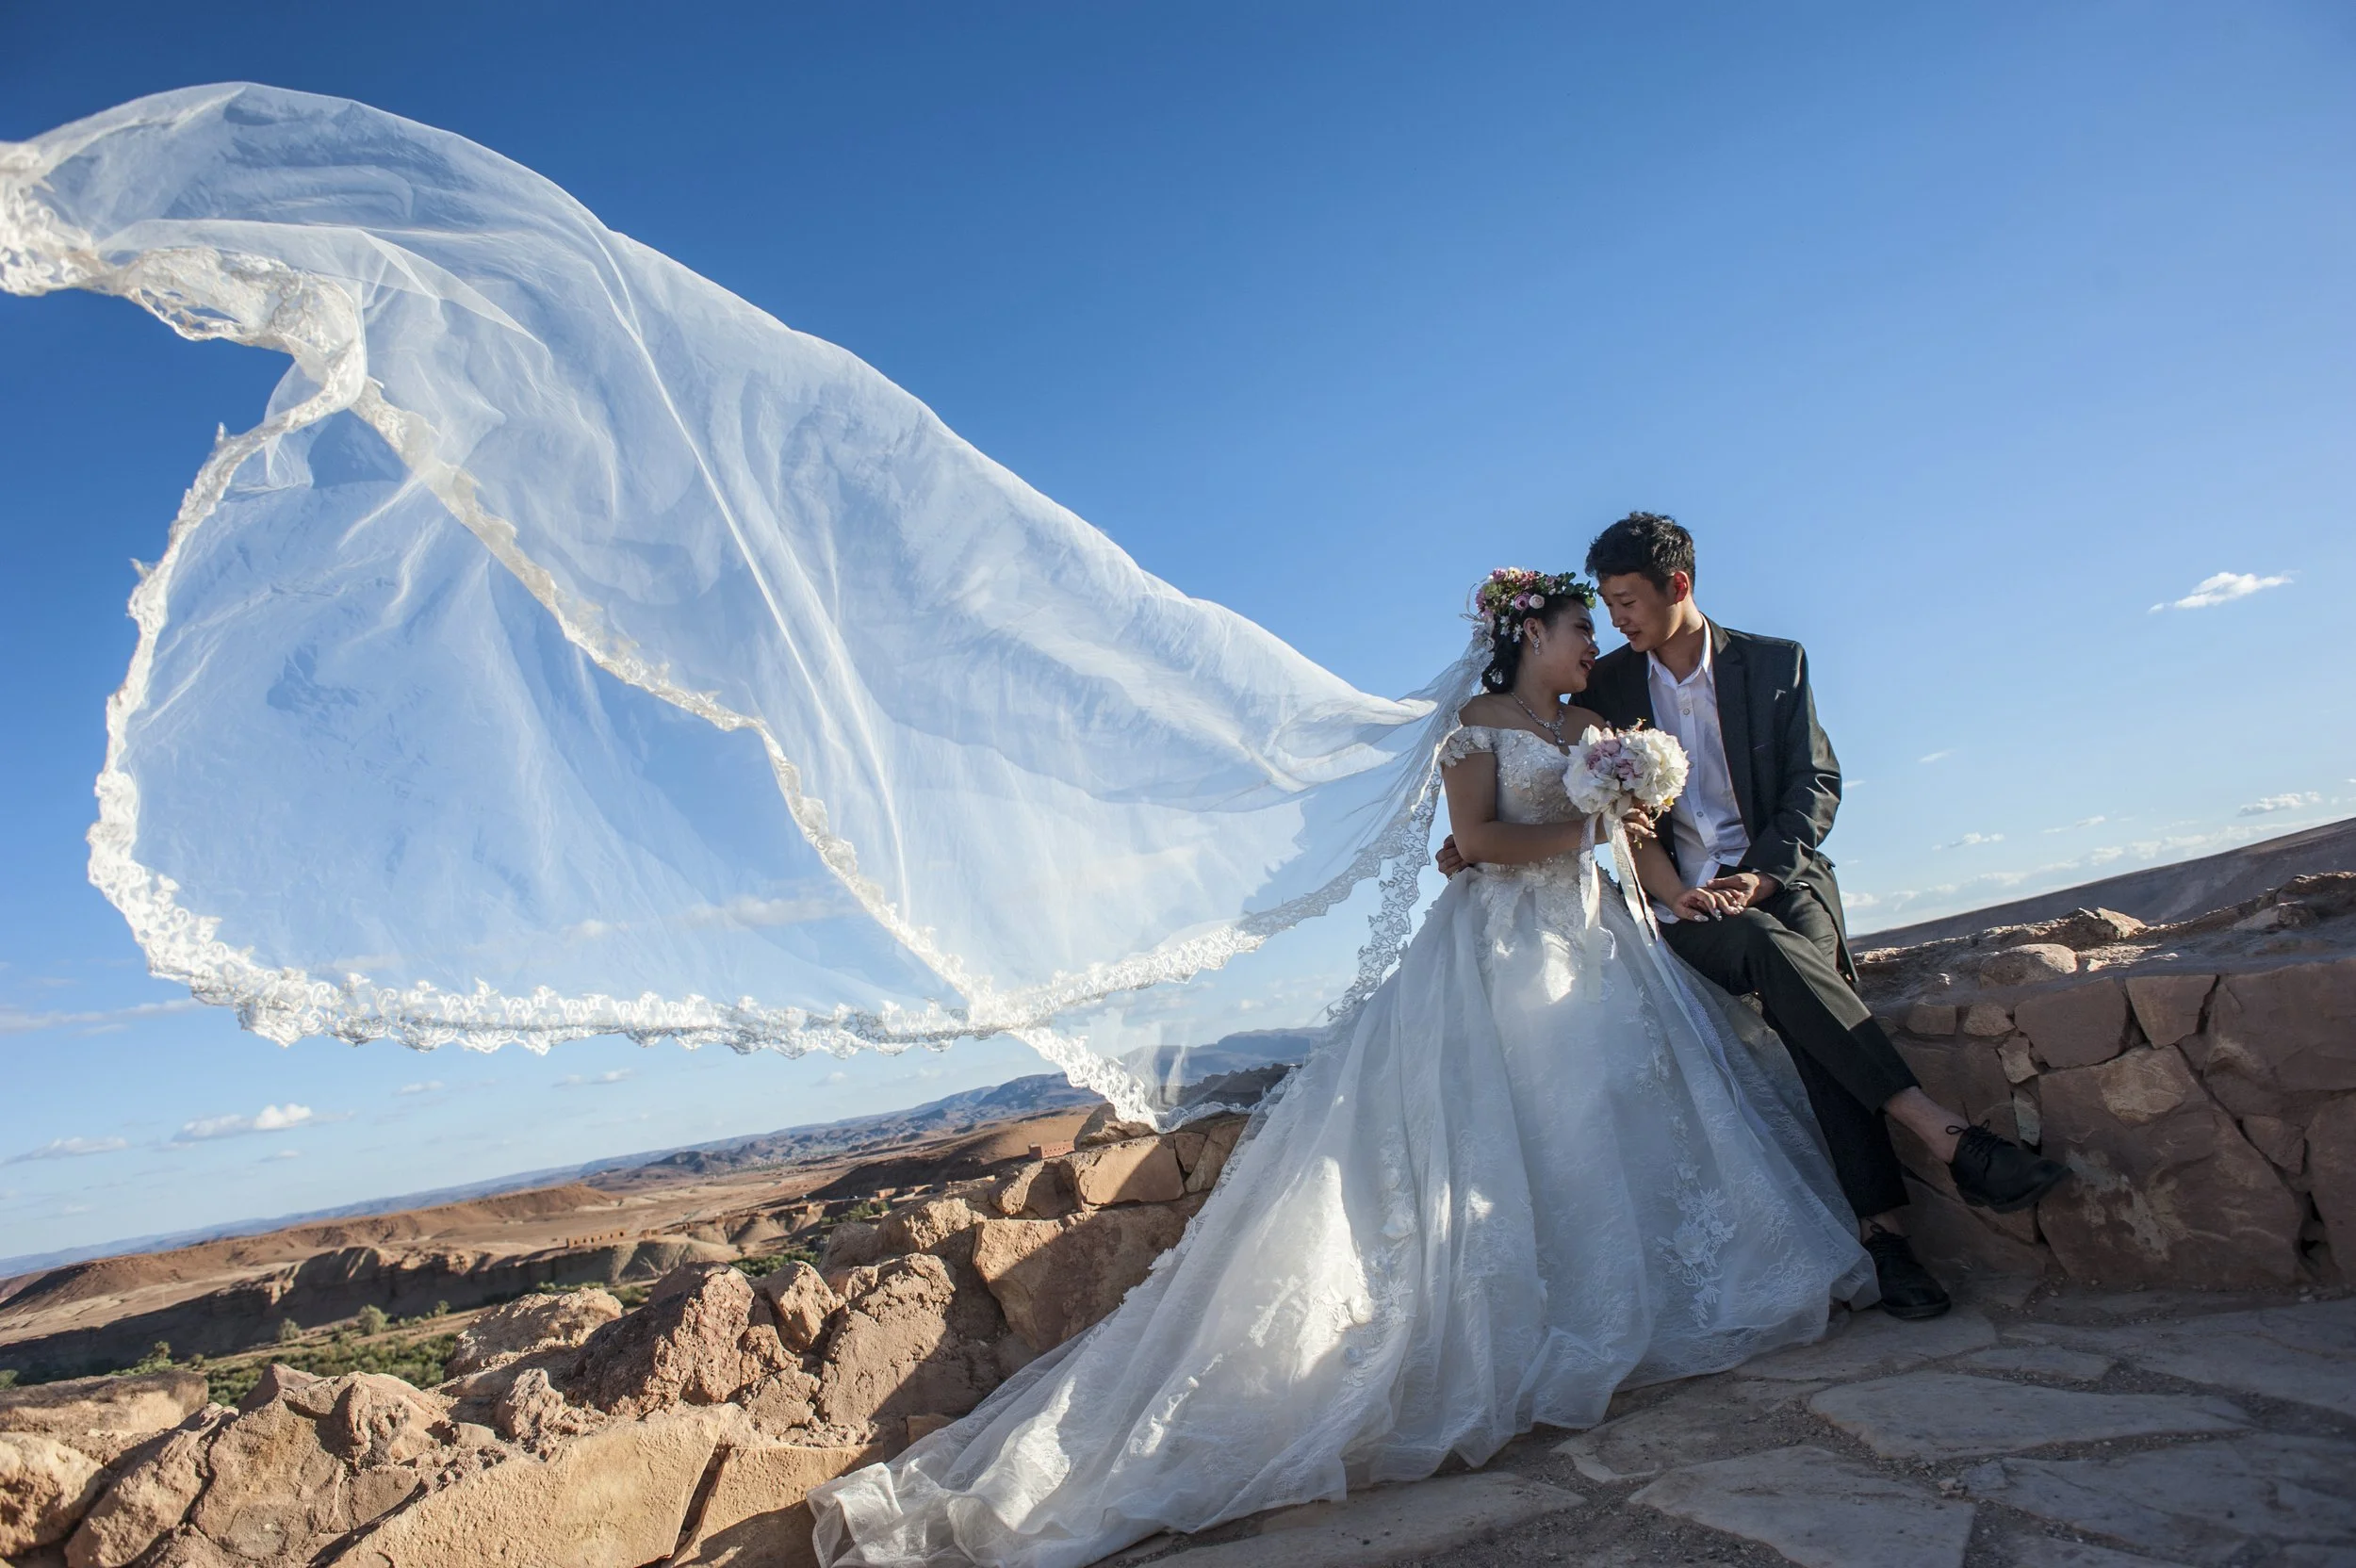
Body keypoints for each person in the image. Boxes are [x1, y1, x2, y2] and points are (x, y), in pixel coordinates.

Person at [808, 573, 1880, 1567]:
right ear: (1527, 638)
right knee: (1532, 1115)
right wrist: (1584, 823)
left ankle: (1647, 1306)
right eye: (1576, 628)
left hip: (1598, 941)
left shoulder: (1600, 728)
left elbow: (1636, 837)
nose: (1591, 643)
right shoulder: (1473, 733)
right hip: (1499, 951)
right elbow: (1479, 839)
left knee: (1608, 1111)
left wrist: (1669, 882)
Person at [1439, 514, 2069, 1318]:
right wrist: (1474, 845)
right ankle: (1945, 1141)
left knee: (1796, 978)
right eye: (1604, 606)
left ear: (1681, 587)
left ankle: (1887, 1241)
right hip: (1681, 903)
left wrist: (1763, 877)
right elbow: (1542, 776)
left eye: (1628, 601)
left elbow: (1815, 787)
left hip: (1778, 886)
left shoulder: (1776, 665)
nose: (1615, 623)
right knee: (1772, 957)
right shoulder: (1606, 691)